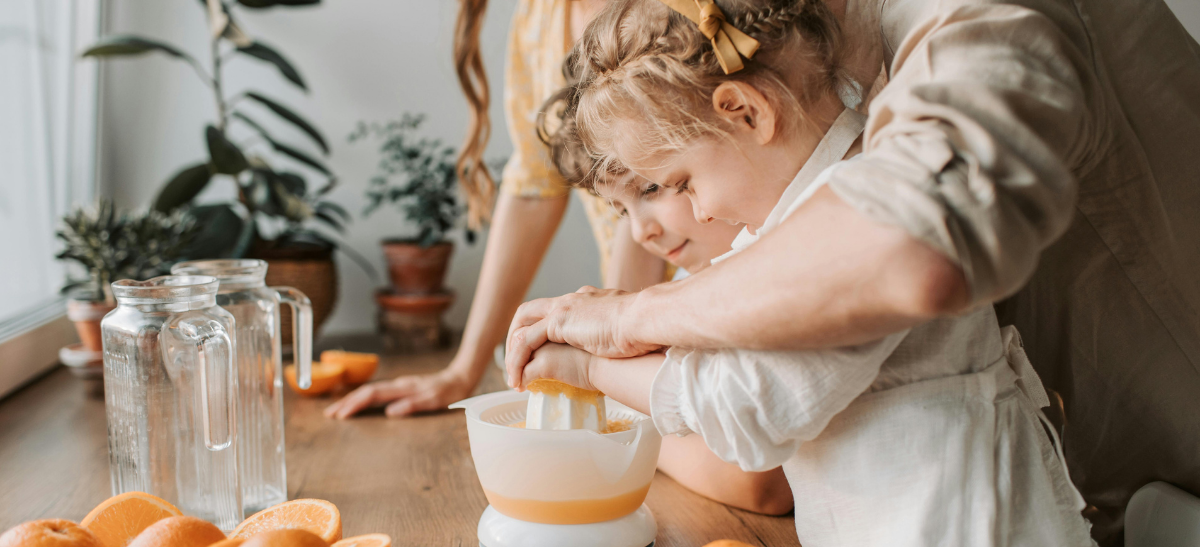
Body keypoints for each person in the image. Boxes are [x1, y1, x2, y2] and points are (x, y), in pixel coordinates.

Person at [505, 0, 1200, 541]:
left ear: (744, 110)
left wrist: (602, 354)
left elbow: (752, 399)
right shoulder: (792, 205)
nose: (685, 213)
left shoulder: (852, 194)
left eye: (677, 183)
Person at [324, 0, 665, 421]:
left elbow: (652, 184)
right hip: (642, 345)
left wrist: (617, 345)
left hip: (699, 317)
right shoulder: (540, 16)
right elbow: (535, 185)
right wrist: (463, 371)